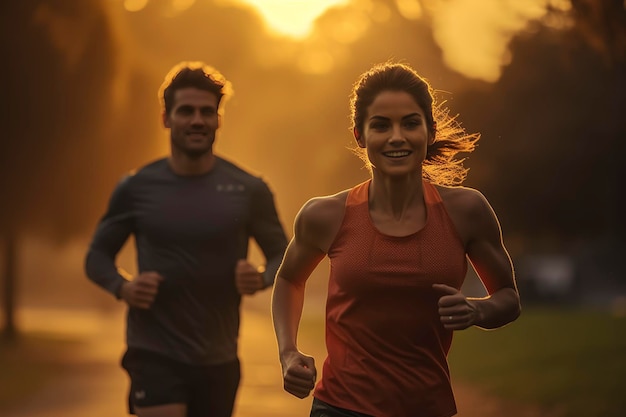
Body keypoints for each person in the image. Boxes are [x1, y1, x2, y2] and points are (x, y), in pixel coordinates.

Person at [271, 62, 521, 417]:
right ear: (360, 135)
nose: (396, 137)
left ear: (429, 131)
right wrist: (288, 352)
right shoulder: (324, 215)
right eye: (381, 125)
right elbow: (289, 278)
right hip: (340, 407)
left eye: (410, 123)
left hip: (427, 408)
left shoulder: (467, 210)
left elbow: (509, 299)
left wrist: (477, 309)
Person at [85, 61, 288, 417]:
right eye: (186, 111)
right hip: (153, 351)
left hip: (219, 358)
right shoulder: (136, 187)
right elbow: (97, 256)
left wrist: (260, 277)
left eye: (207, 112)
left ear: (218, 119)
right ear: (166, 118)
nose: (197, 120)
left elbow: (283, 257)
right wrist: (123, 287)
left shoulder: (248, 189)